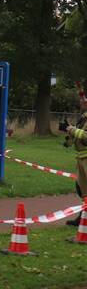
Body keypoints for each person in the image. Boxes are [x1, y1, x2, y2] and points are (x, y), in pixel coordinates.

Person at [59, 81, 87, 224]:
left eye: (83, 99)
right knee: (81, 188)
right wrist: (68, 133)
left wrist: (73, 130)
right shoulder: (83, 117)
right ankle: (83, 217)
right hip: (81, 157)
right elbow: (78, 134)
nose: (81, 101)